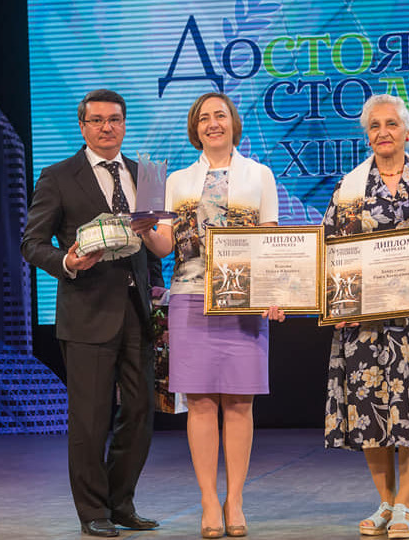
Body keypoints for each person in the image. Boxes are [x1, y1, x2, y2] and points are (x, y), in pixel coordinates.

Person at [140, 92, 281, 539]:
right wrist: (144, 231)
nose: (213, 123)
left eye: (220, 115)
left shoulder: (260, 174)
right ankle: (207, 501)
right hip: (189, 298)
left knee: (240, 402)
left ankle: (234, 499)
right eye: (204, 118)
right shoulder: (177, 180)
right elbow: (164, 244)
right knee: (199, 403)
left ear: (233, 123)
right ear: (195, 128)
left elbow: (271, 241)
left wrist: (276, 293)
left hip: (244, 302)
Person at [321, 94, 409, 539]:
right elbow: (329, 249)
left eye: (391, 124)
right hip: (364, 319)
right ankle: (385, 501)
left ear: (407, 132)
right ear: (367, 135)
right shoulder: (347, 188)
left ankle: (407, 503)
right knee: (369, 408)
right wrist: (336, 301)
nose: (383, 132)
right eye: (374, 126)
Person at [20, 89, 159, 537]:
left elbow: (151, 242)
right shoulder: (59, 176)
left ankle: (121, 503)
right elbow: (31, 243)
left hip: (138, 313)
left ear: (125, 124)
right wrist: (66, 261)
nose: (106, 127)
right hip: (86, 314)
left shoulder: (143, 174)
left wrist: (158, 293)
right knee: (91, 420)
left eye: (114, 119)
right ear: (82, 127)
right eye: (96, 120)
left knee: (139, 413)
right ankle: (93, 512)